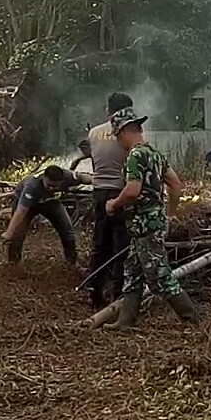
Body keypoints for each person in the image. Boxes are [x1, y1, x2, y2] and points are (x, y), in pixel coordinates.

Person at [103, 108, 199, 329]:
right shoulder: (155, 154)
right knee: (133, 271)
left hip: (144, 226)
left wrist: (113, 204)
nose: (118, 141)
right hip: (149, 225)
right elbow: (175, 185)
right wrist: (169, 215)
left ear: (126, 130)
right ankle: (126, 321)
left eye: (118, 135)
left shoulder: (135, 156)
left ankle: (192, 320)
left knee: (160, 276)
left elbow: (132, 190)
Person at [86, 93, 134, 309]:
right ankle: (117, 293)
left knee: (100, 243)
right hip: (120, 193)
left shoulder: (93, 133)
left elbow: (96, 167)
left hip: (99, 193)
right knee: (121, 245)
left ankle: (94, 291)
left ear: (108, 110)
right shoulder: (127, 133)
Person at [2, 164, 92, 266]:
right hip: (28, 204)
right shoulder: (32, 185)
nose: (51, 188)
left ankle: (72, 262)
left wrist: (96, 180)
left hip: (50, 202)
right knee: (17, 234)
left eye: (55, 186)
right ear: (44, 178)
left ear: (61, 181)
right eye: (48, 185)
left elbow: (82, 177)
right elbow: (21, 211)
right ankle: (13, 264)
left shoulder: (68, 177)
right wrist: (9, 232)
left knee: (67, 231)